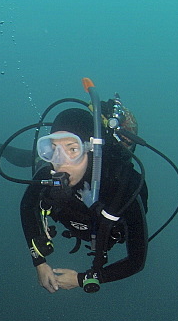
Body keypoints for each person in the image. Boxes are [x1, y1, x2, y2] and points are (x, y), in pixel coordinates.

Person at [20, 107, 148, 293]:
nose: (60, 161)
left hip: (105, 227)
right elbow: (26, 206)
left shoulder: (122, 188)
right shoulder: (48, 174)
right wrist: (39, 262)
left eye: (72, 149)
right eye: (53, 149)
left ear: (90, 149)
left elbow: (136, 262)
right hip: (75, 219)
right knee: (43, 169)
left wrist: (83, 279)